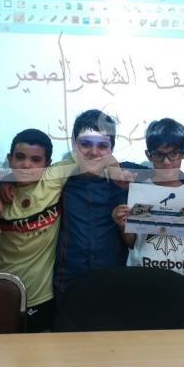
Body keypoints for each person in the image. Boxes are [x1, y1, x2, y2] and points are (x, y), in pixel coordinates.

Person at [112, 119, 184, 282]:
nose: (166, 162)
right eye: (159, 155)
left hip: (181, 276)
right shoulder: (139, 191)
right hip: (141, 274)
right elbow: (132, 242)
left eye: (173, 154)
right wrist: (122, 224)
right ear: (149, 155)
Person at [53, 109, 142, 294]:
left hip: (113, 280)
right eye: (85, 144)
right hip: (69, 280)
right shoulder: (60, 178)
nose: (94, 152)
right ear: (74, 143)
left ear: (112, 148)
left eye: (102, 146)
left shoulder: (126, 178)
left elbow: (172, 177)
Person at [0, 129, 64, 332]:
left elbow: (93, 155)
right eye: (20, 157)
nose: (26, 165)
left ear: (48, 164)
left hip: (41, 295)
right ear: (10, 159)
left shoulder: (54, 180)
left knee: (39, 349)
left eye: (36, 160)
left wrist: (115, 167)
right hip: (2, 288)